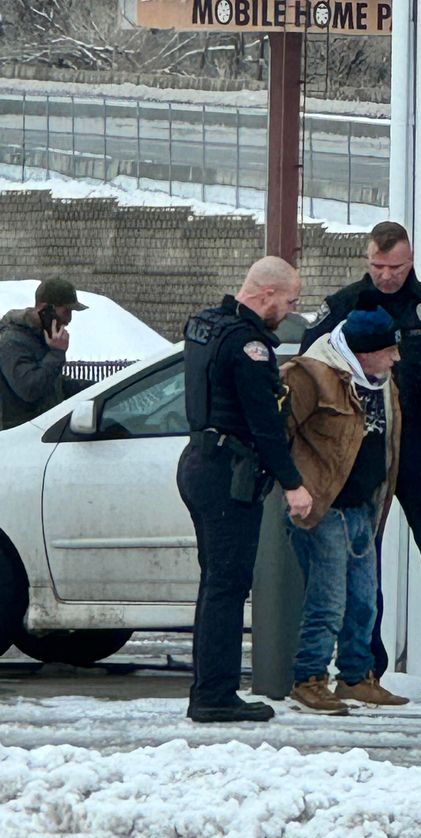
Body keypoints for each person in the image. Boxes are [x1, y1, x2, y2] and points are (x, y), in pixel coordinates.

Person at [301, 221, 421, 703]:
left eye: (396, 267)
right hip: (364, 448)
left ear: (411, 261)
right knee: (361, 563)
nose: (387, 275)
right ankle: (366, 669)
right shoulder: (345, 306)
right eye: (378, 266)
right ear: (367, 260)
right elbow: (306, 369)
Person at [177, 256, 313, 724]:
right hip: (228, 474)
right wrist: (293, 484)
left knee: (215, 581)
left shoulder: (206, 325)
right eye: (290, 301)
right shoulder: (250, 346)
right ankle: (215, 695)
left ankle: (209, 689)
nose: (291, 310)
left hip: (199, 462)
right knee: (228, 585)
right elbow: (265, 423)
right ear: (267, 294)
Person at [283, 301, 409, 715]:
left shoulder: (381, 380)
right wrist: (294, 487)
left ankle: (356, 676)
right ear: (363, 352)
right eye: (389, 351)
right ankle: (310, 678)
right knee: (328, 599)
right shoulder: (313, 375)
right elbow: (279, 431)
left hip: (362, 506)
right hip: (326, 507)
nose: (396, 358)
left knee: (364, 601)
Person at [0, 276, 89, 430]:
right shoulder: (11, 341)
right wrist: (56, 353)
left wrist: (98, 388)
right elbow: (30, 389)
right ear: (45, 309)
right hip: (20, 437)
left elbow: (52, 384)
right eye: (66, 311)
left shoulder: (40, 337)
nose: (69, 319)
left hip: (42, 430)